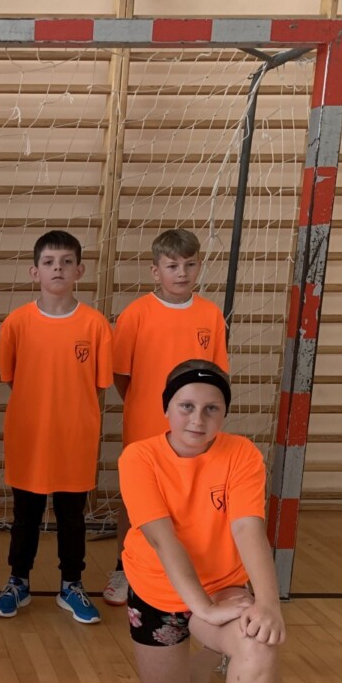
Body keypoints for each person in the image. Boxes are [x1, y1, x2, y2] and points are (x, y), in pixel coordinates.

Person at [119, 360, 285, 683]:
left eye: (212, 409)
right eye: (186, 406)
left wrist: (268, 603)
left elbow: (248, 528)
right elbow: (162, 538)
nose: (198, 419)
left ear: (224, 415)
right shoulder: (139, 457)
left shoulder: (242, 454)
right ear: (166, 409)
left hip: (222, 587)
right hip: (157, 590)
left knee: (258, 643)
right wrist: (203, 608)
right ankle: (214, 654)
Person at [0, 231, 113, 624]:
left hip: (75, 439)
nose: (57, 268)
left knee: (72, 517)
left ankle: (71, 584)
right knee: (25, 516)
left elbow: (98, 384)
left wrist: (68, 411)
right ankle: (18, 582)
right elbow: (12, 378)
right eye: (48, 262)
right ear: (35, 271)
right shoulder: (16, 323)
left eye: (65, 262)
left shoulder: (95, 325)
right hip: (29, 437)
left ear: (80, 270)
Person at [105, 228, 230, 607]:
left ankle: (191, 573)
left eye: (190, 265)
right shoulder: (135, 314)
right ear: (155, 270)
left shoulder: (210, 315)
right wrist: (146, 406)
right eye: (172, 266)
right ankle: (125, 568)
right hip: (145, 426)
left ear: (199, 267)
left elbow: (215, 376)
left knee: (193, 499)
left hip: (194, 431)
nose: (182, 273)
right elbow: (121, 375)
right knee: (137, 501)